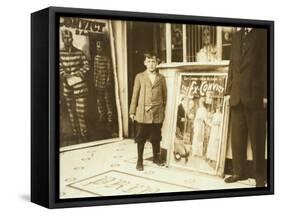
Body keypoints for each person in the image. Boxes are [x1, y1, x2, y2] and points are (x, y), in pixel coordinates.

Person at [224, 27, 267, 187]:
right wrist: (228, 91)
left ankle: (260, 177)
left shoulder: (262, 33)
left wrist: (266, 94)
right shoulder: (236, 36)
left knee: (257, 138)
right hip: (236, 95)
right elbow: (232, 65)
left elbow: (266, 64)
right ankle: (239, 172)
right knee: (237, 138)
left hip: (254, 95)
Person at [129, 52, 167, 171]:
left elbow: (165, 96)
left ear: (157, 63)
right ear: (145, 63)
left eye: (153, 62)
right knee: (141, 137)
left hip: (157, 112)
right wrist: (132, 111)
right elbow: (135, 95)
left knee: (156, 137)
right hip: (143, 112)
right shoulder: (139, 77)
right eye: (149, 61)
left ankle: (156, 157)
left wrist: (162, 110)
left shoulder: (161, 78)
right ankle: (139, 160)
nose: (151, 64)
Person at [59, 29, 90, 143]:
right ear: (62, 39)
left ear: (72, 38)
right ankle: (76, 135)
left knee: (81, 112)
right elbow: (58, 68)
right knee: (72, 112)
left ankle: (84, 134)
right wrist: (66, 75)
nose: (68, 40)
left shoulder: (79, 52)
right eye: (65, 38)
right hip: (67, 87)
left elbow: (87, 66)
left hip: (80, 86)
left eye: (70, 37)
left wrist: (78, 73)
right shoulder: (59, 53)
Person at [93, 40, 114, 128]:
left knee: (108, 101)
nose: (99, 49)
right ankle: (102, 117)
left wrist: (108, 82)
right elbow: (95, 71)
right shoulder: (96, 58)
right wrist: (95, 81)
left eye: (100, 47)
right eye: (97, 48)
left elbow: (109, 71)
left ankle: (110, 119)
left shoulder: (107, 58)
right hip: (98, 84)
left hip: (105, 84)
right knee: (100, 101)